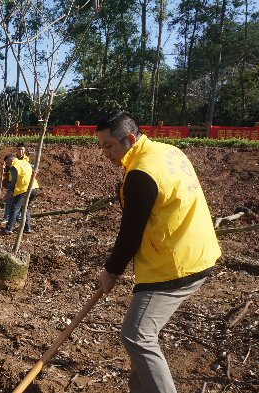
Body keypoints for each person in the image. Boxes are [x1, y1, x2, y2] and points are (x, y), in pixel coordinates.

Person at [95, 110, 220, 393]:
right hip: (198, 251)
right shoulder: (168, 151)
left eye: (109, 146)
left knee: (136, 336)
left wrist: (111, 271)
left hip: (173, 265)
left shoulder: (141, 173)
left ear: (128, 139)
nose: (106, 154)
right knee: (143, 344)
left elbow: (131, 232)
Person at [0, 153, 38, 235]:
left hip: (24, 189)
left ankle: (8, 229)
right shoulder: (25, 163)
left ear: (11, 160)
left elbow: (14, 180)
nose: (8, 166)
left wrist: (12, 190)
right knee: (24, 207)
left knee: (15, 208)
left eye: (7, 163)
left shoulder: (14, 166)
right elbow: (35, 169)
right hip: (34, 187)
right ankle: (27, 228)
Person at [2, 142, 29, 223]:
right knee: (9, 200)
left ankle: (19, 217)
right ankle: (7, 216)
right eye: (19, 149)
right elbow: (8, 168)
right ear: (16, 150)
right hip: (12, 181)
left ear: (24, 150)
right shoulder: (12, 158)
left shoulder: (26, 159)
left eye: (22, 149)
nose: (20, 151)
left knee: (19, 201)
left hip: (22, 183)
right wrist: (4, 168)